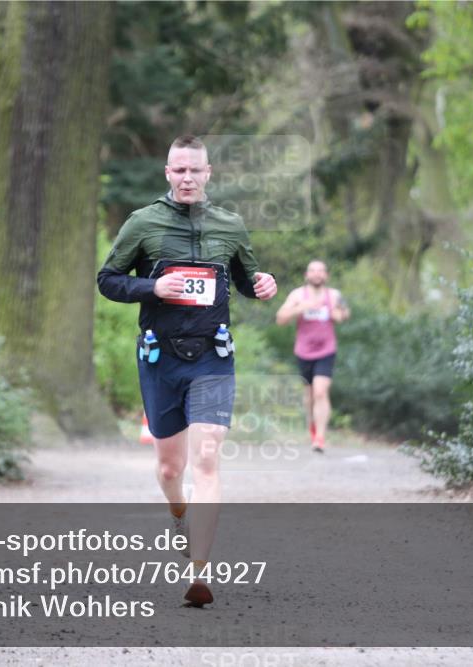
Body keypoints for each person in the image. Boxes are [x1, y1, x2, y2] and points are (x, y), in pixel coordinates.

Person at [97, 135, 277, 606]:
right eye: (179, 170)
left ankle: (200, 573)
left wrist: (263, 284)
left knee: (207, 459)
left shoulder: (230, 224)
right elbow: (108, 281)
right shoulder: (143, 223)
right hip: (161, 356)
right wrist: (155, 288)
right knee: (170, 466)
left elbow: (245, 280)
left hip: (214, 355)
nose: (187, 178)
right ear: (167, 173)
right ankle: (178, 509)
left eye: (195, 170)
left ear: (208, 172)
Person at [275, 260, 349, 453]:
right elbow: (280, 318)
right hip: (304, 351)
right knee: (309, 396)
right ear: (307, 275)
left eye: (321, 271)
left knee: (320, 392)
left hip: (326, 350)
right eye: (313, 271)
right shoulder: (298, 295)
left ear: (326, 275)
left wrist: (337, 315)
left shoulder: (334, 295)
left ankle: (320, 438)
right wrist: (301, 308)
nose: (317, 274)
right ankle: (312, 426)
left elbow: (344, 314)